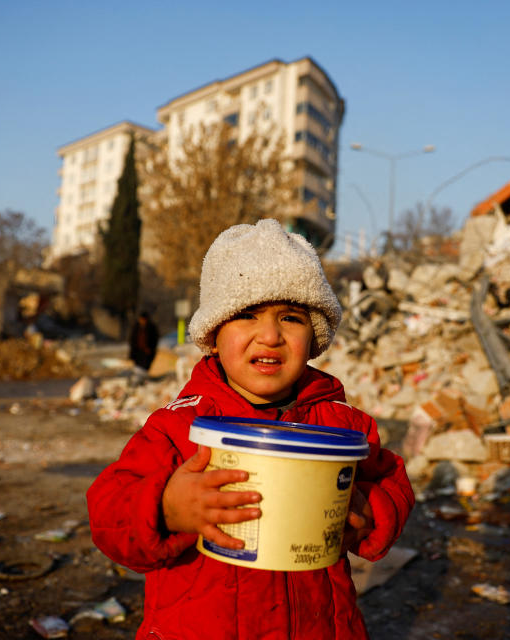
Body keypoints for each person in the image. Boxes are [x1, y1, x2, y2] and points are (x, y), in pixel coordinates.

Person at [87, 219, 414, 639]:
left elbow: (393, 481)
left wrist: (369, 511)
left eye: (291, 317)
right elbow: (108, 511)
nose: (270, 335)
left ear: (313, 338)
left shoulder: (339, 425)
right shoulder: (180, 427)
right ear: (213, 333)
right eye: (246, 315)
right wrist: (167, 507)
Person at [128, 310, 159, 383]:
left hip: (147, 352)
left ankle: (142, 380)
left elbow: (154, 339)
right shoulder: (136, 327)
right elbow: (132, 339)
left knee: (145, 367)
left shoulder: (151, 327)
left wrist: (150, 349)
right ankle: (138, 380)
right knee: (137, 367)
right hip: (137, 351)